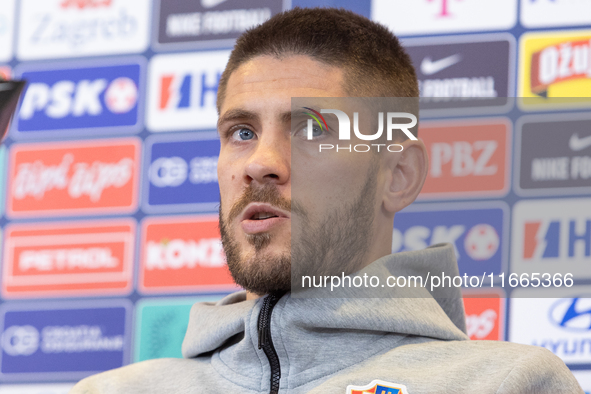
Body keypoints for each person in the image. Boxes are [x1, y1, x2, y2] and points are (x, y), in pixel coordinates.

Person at [70, 7, 583, 394]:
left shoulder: (508, 384)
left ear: (398, 175)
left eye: (313, 129)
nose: (260, 162)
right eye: (242, 131)